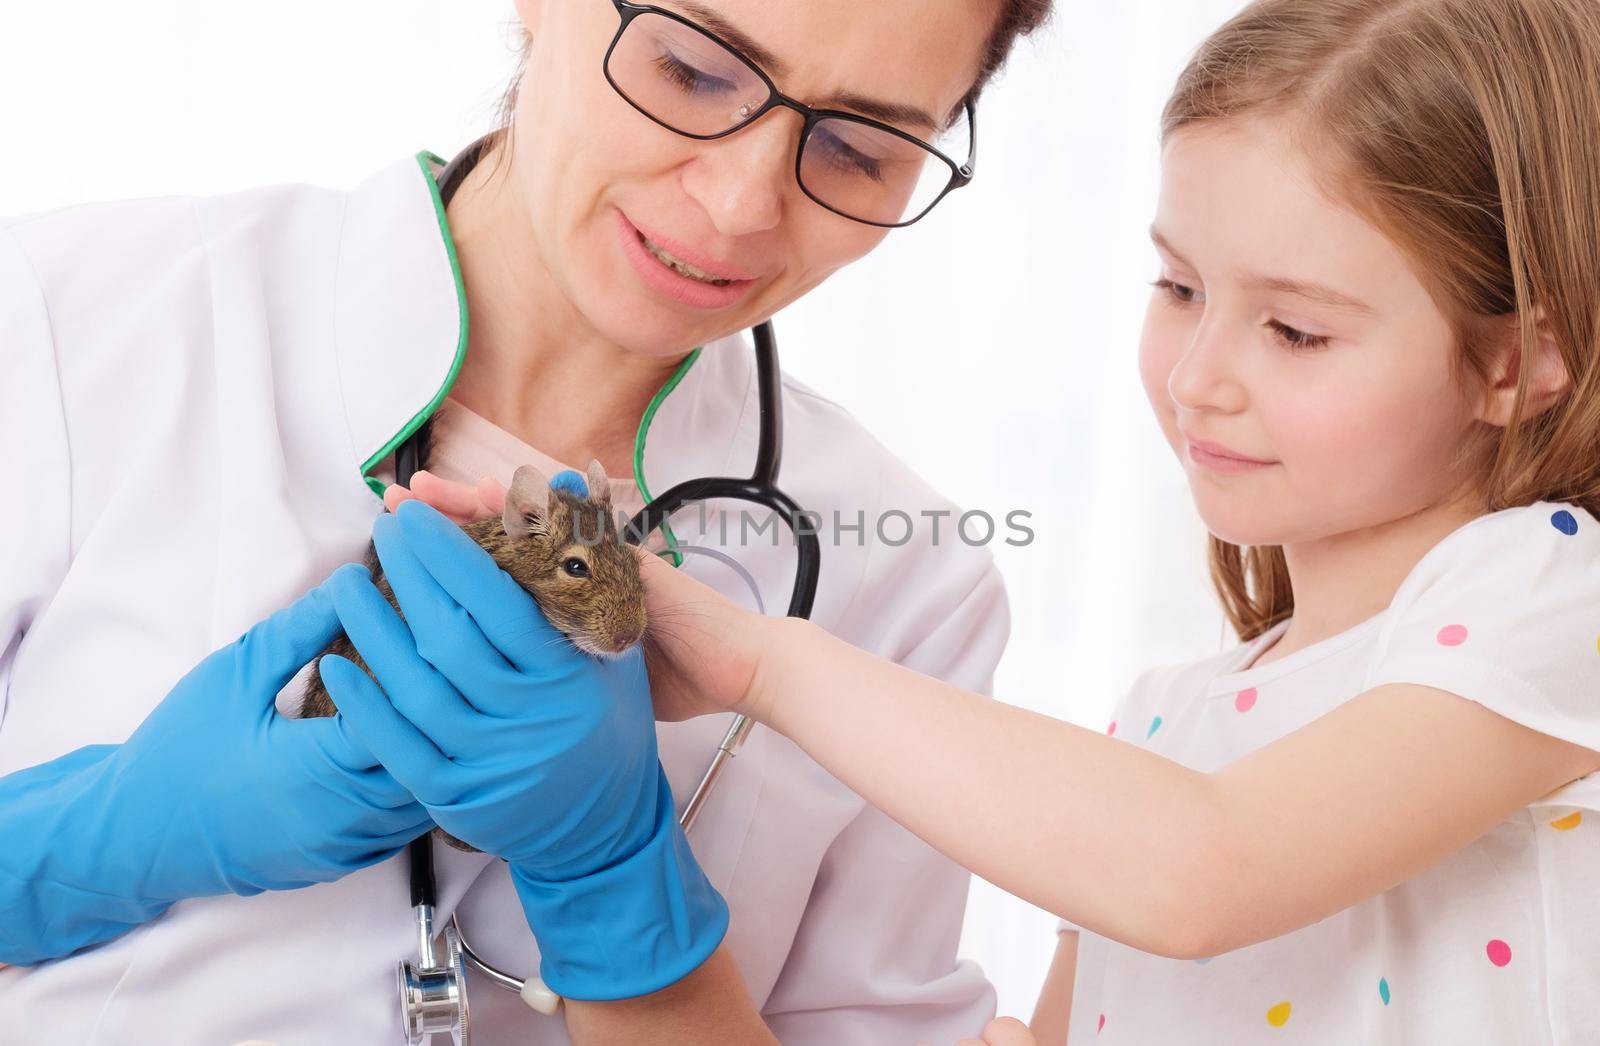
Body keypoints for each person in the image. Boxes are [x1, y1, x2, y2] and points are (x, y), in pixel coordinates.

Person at [389, 0, 1600, 1041]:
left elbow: (1197, 870)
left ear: (1512, 363)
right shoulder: (1170, 719)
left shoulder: (1549, 594)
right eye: (1177, 287)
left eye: (1296, 329)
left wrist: (755, 656)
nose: (1198, 378)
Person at [0, 1, 1052, 1042]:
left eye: (861, 149)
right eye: (691, 70)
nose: (739, 204)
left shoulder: (913, 590)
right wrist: (98, 842)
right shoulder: (68, 318)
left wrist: (620, 896)